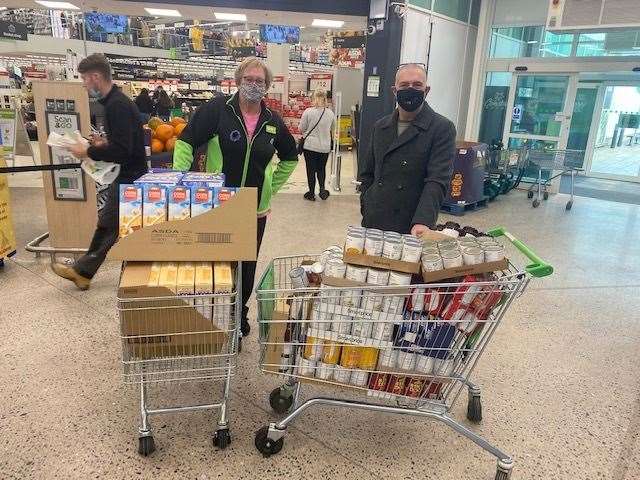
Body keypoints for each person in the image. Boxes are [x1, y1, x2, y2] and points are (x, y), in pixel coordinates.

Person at [172, 57, 297, 339]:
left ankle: (237, 315)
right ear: (238, 80)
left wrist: (270, 187)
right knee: (218, 262)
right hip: (218, 204)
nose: (254, 85)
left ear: (267, 86)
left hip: (254, 209)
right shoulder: (218, 110)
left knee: (247, 264)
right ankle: (211, 314)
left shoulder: (272, 120)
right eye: (249, 79)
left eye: (260, 81)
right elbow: (186, 140)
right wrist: (180, 181)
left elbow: (290, 157)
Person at [51, 54, 147, 290]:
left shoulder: (117, 106)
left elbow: (123, 151)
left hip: (130, 177)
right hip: (128, 175)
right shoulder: (115, 103)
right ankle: (83, 271)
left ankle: (83, 272)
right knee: (109, 223)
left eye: (84, 79)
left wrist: (88, 152)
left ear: (96, 77)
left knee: (109, 224)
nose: (83, 84)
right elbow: (126, 142)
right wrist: (103, 143)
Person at [358, 63, 456, 236]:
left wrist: (423, 221)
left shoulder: (442, 128)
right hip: (374, 220)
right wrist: (366, 204)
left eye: (417, 85)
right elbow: (368, 173)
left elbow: (437, 180)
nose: (410, 89)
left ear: (427, 90)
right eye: (404, 85)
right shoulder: (381, 126)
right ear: (394, 91)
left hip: (412, 225)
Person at [300, 90, 335, 201]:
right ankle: (322, 190)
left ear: (314, 98)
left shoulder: (308, 112)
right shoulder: (330, 113)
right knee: (321, 169)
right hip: (325, 147)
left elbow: (301, 128)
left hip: (310, 146)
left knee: (310, 170)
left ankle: (311, 193)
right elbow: (333, 129)